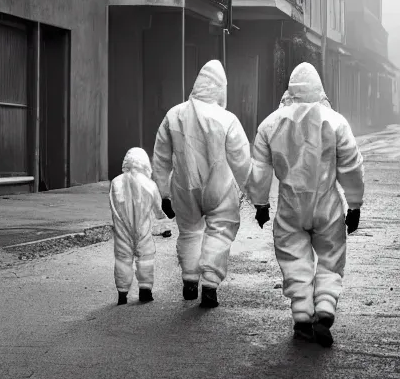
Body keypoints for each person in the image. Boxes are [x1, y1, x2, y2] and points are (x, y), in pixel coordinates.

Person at [248, 62, 364, 347]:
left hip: (290, 207)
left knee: (294, 260)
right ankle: (324, 311)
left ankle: (302, 316)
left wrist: (260, 204)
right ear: (319, 89)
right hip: (327, 205)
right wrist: (355, 204)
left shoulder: (270, 123)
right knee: (330, 258)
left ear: (290, 90)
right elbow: (351, 166)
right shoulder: (335, 121)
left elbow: (259, 170)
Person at [152, 60, 251, 308]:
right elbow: (241, 162)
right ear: (220, 88)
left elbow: (161, 159)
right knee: (220, 230)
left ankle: (189, 278)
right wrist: (256, 196)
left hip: (183, 188)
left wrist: (164, 194)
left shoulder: (173, 115)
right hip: (220, 188)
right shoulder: (228, 119)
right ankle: (209, 284)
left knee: (189, 232)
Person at [109, 147, 169, 306]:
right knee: (145, 258)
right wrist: (164, 226)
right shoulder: (150, 184)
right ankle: (145, 291)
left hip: (122, 231)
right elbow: (158, 209)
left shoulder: (115, 183)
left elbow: (113, 206)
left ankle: (122, 294)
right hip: (143, 230)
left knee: (122, 260)